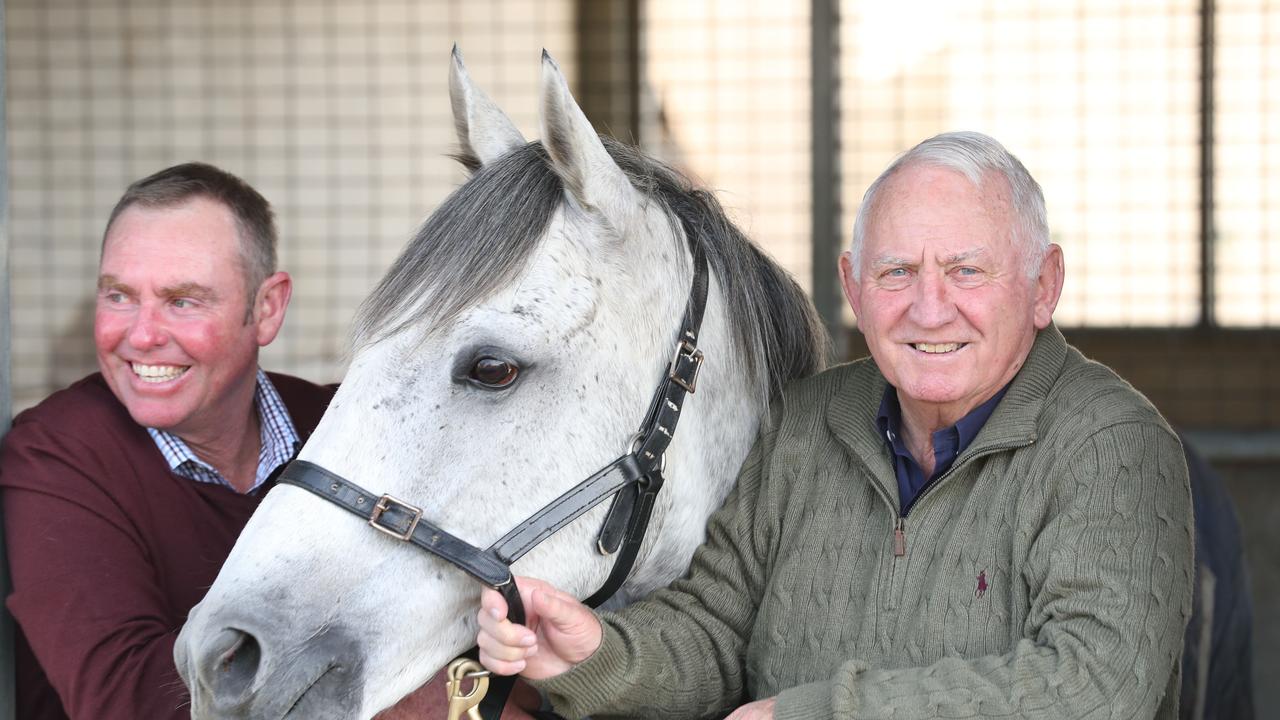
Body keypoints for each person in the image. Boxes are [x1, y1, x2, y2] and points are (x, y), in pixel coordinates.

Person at [474, 132, 1195, 719]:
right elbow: (716, 631)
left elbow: (1095, 689)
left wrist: (816, 713)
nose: (930, 307)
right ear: (853, 287)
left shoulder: (1112, 445)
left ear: (1044, 287)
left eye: (967, 271)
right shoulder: (807, 421)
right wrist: (594, 654)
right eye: (896, 273)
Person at [0, 163, 336, 719]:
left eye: (183, 300)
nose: (142, 334)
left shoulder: (336, 428)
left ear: (267, 308)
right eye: (119, 295)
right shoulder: (56, 455)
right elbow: (127, 700)